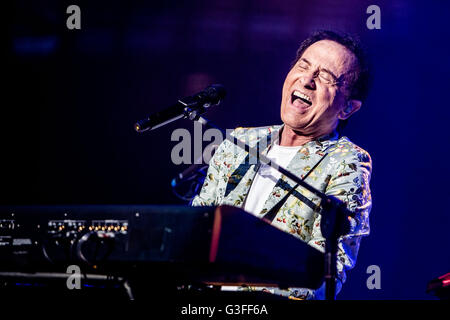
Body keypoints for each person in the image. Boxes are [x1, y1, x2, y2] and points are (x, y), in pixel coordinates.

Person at [191, 30, 372, 300]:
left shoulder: (346, 161)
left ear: (348, 108)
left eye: (325, 77)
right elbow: (194, 231)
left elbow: (325, 272)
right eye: (303, 65)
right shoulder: (239, 141)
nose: (308, 80)